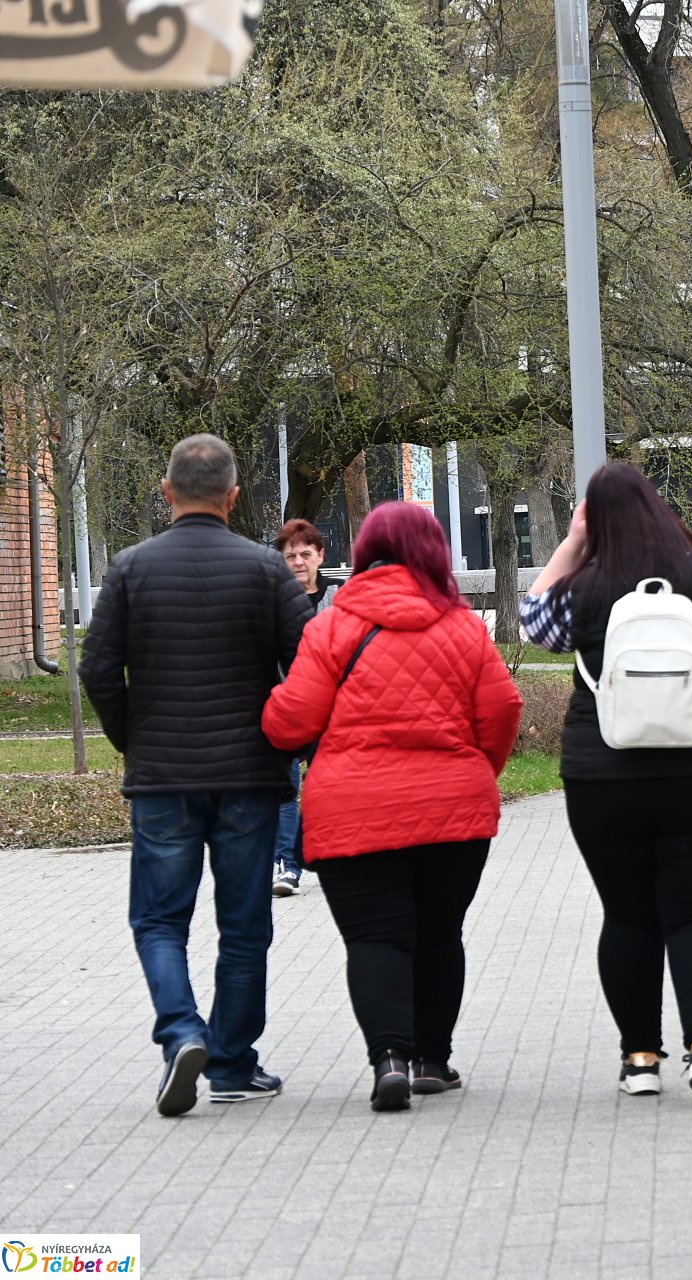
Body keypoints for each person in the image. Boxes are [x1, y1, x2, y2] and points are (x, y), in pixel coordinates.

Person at [520, 463, 692, 1105]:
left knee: (628, 916)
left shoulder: (587, 589)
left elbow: (533, 623)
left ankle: (640, 1060)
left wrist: (570, 545)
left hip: (603, 777)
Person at [80, 434, 312, 1116]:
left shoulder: (128, 569)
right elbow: (307, 669)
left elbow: (98, 670)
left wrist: (135, 739)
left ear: (165, 489)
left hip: (162, 781)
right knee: (244, 927)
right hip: (249, 779)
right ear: (234, 497)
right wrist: (280, 739)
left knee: (158, 921)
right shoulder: (268, 572)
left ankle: (181, 1029)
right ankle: (234, 1062)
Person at [263, 502, 522, 1111]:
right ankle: (434, 1058)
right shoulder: (462, 627)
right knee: (439, 932)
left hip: (351, 811)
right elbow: (504, 708)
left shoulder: (330, 626)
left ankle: (389, 1061)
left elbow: (290, 720)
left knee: (376, 940)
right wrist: (478, 769)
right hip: (452, 809)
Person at [269, 518, 337, 898]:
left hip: (329, 712)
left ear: (320, 555)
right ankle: (286, 865)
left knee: (322, 786)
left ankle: (312, 851)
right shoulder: (271, 602)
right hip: (285, 707)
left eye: (305, 554)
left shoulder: (338, 599)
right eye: (290, 555)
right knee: (285, 787)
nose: (297, 561)